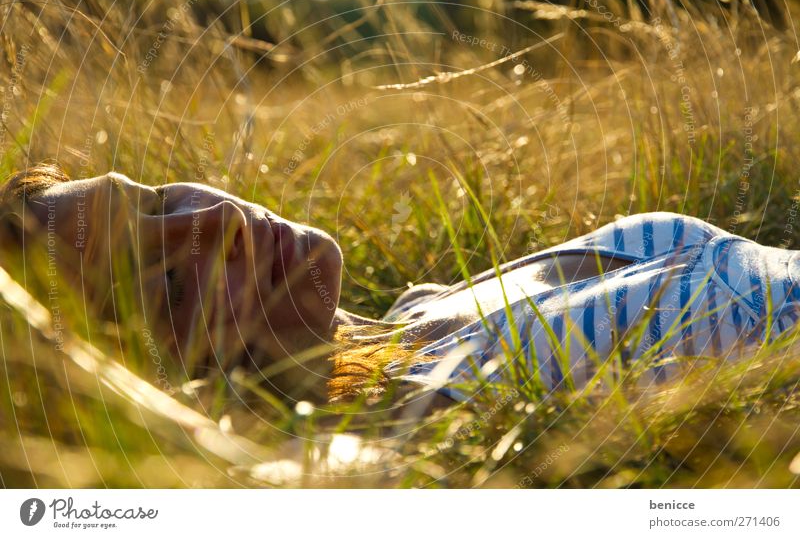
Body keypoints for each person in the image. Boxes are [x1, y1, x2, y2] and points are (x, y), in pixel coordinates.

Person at [1, 163, 797, 407]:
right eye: (168, 280)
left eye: (151, 201)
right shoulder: (410, 437)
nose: (220, 224)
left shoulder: (423, 307)